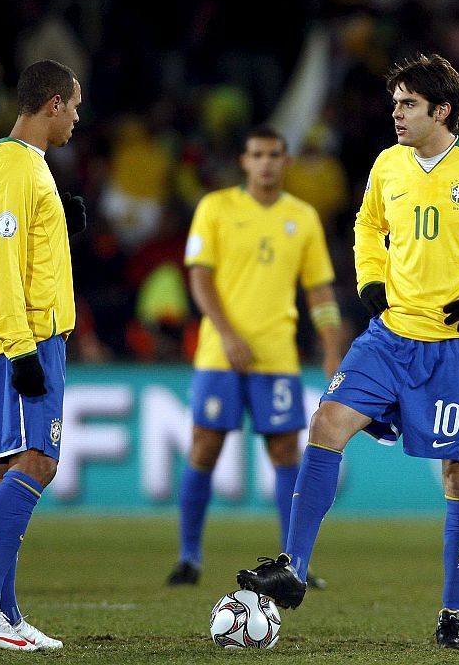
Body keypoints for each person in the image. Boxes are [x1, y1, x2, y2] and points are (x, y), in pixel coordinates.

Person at [236, 54, 459, 649]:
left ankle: (452, 616)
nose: (395, 113)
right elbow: (368, 226)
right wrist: (369, 278)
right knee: (326, 422)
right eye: (394, 102)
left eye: (408, 104)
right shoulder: (388, 165)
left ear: (441, 110)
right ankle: (291, 565)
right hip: (390, 336)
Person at [167, 126, 343, 588]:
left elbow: (319, 290)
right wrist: (226, 334)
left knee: (286, 451)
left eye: (274, 155)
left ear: (286, 162)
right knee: (205, 446)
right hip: (218, 353)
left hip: (276, 354)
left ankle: (294, 564)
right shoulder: (216, 207)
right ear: (244, 161)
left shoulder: (302, 217)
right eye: (257, 154)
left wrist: (330, 348)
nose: (266, 163)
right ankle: (189, 557)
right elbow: (200, 278)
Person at [0, 60, 86, 651]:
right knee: (38, 463)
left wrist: (61, 229)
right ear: (52, 104)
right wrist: (21, 348)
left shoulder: (11, 164)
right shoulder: (15, 165)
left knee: (7, 468)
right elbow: (1, 264)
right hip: (20, 339)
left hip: (12, 335)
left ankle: (2, 612)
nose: (78, 118)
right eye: (75, 106)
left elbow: (18, 246)